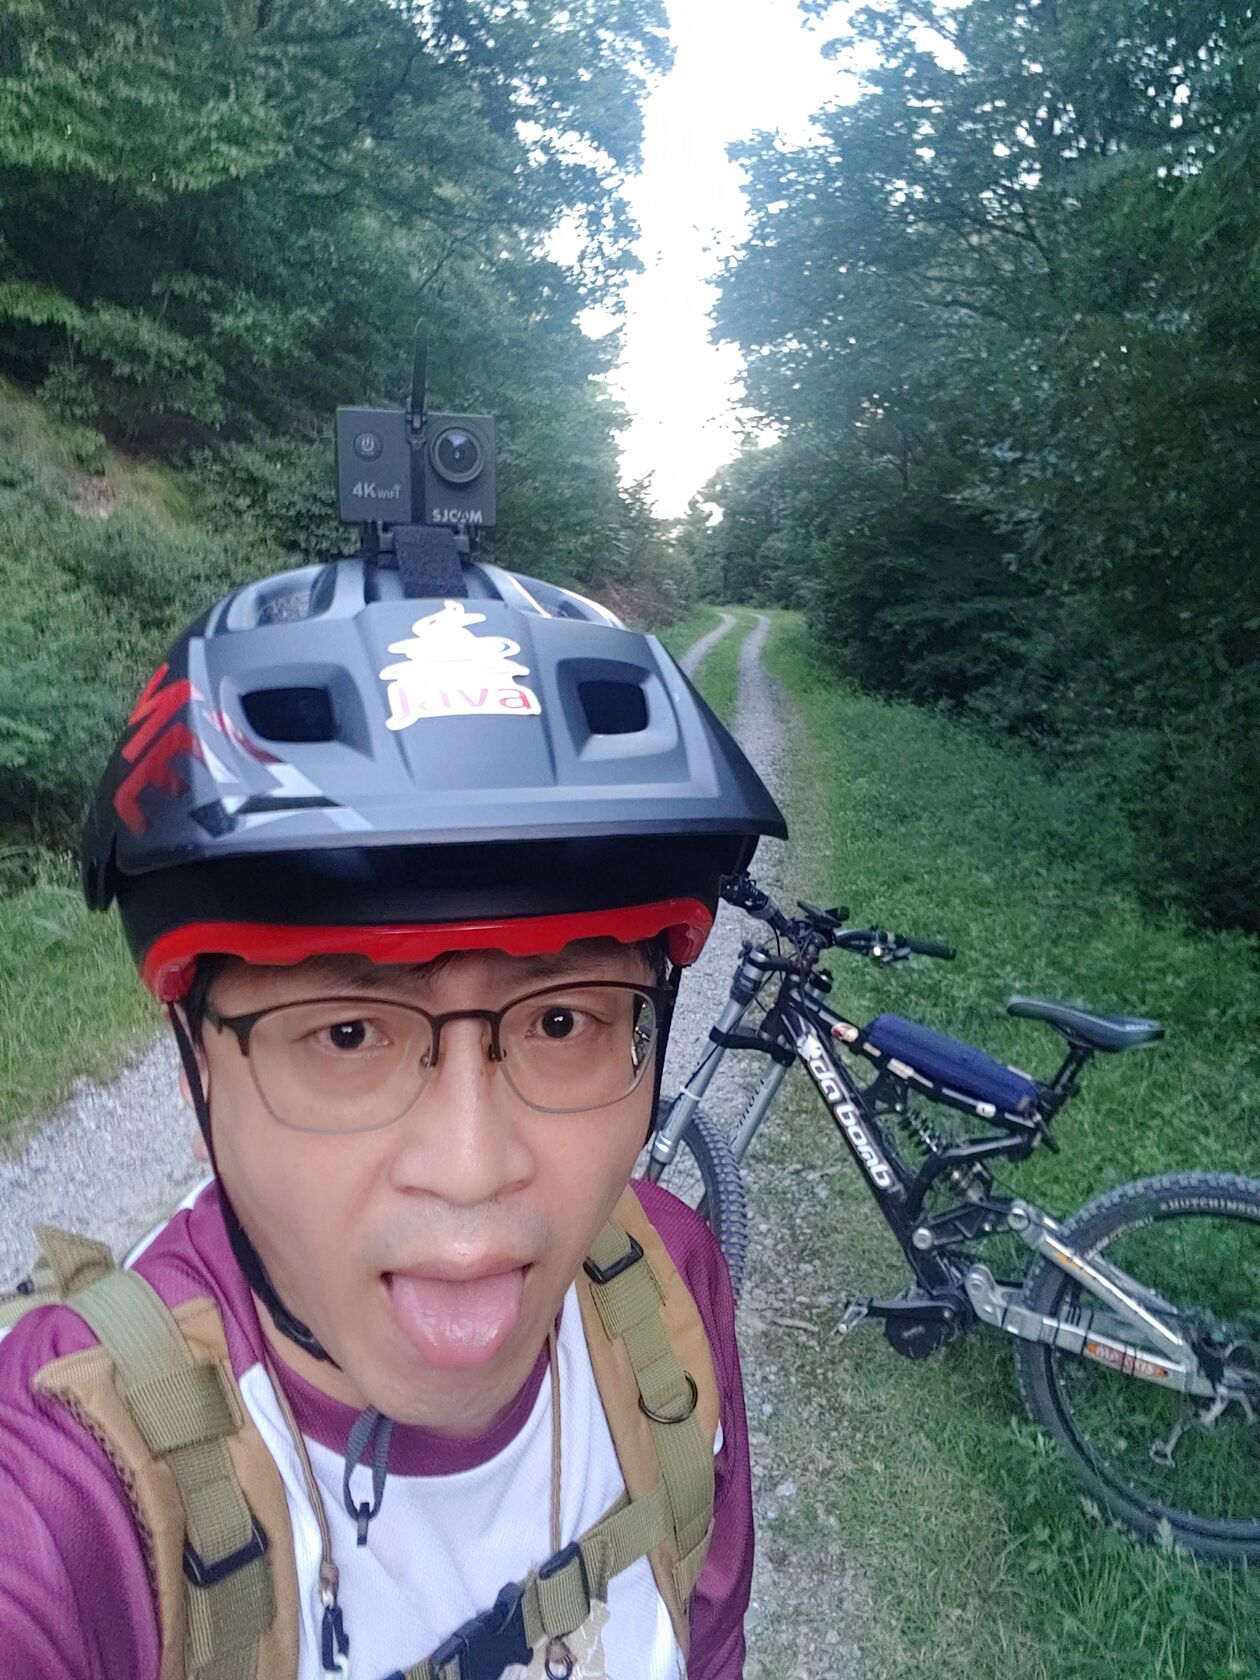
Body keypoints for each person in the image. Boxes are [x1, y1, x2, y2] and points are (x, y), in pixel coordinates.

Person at [0, 553, 785, 1680]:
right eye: (347, 1033)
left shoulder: (667, 1284)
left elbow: (710, 1637)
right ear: (198, 1065)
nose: (470, 1168)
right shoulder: (71, 1478)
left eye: (562, 1020)